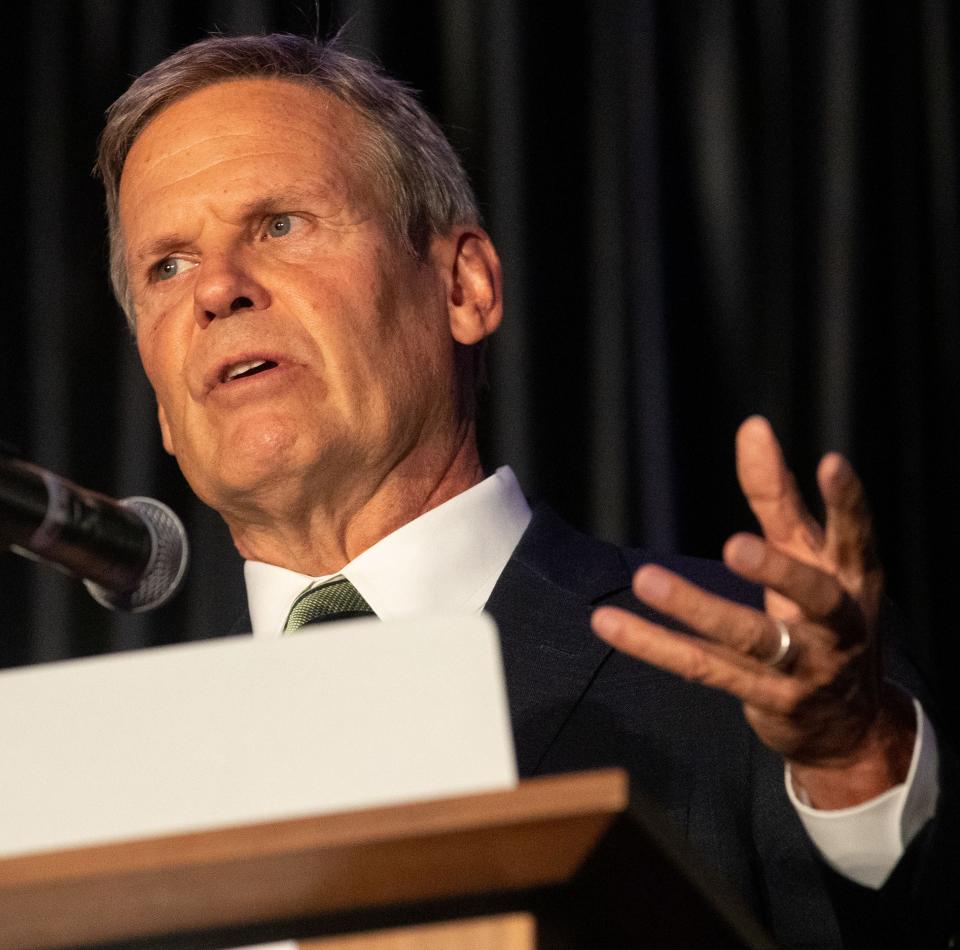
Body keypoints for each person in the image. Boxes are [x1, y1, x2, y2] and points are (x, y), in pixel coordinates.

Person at [95, 34, 955, 948]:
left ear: (464, 285)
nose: (217, 289)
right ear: (160, 401)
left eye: (279, 225)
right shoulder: (120, 782)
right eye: (168, 266)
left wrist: (854, 767)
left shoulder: (751, 670)